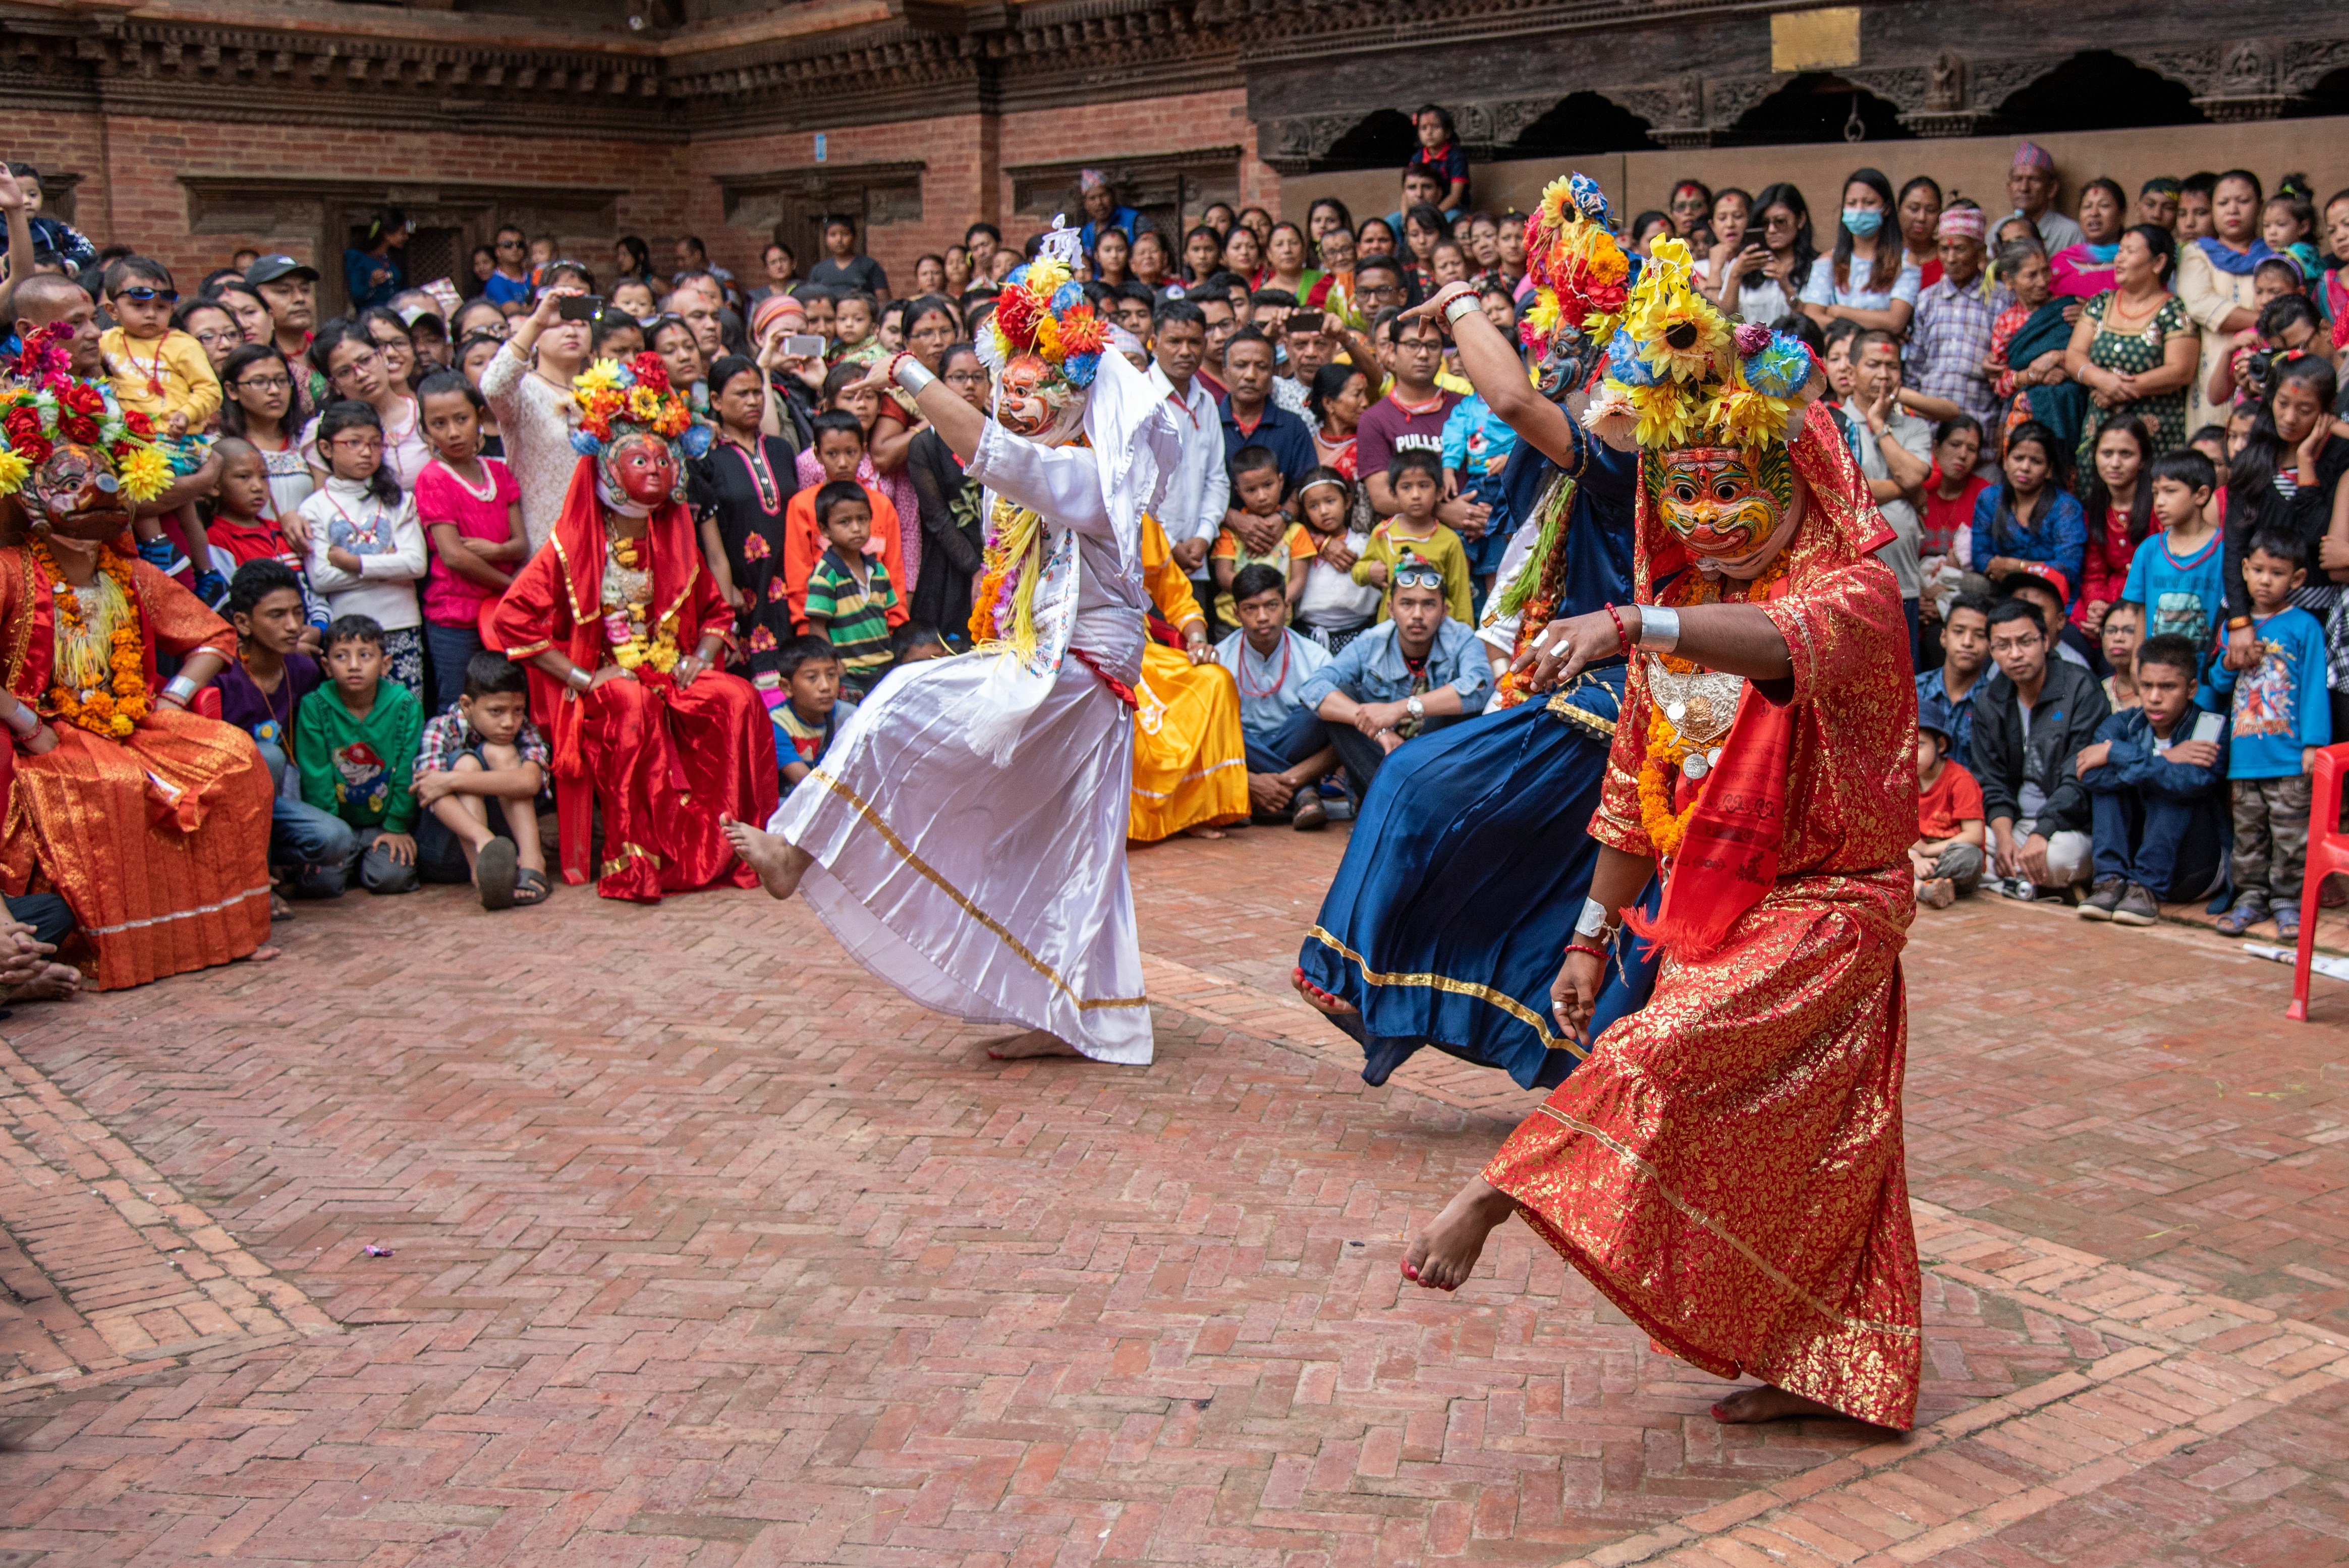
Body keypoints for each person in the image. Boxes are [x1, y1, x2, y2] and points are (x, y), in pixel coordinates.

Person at [1384, 202, 1923, 1433]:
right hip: (1724, 902)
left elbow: (1779, 646)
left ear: (1794, 479)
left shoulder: (1851, 597)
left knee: (1658, 1054)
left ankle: (1490, 1201)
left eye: (1737, 489)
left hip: (1835, 905)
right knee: (1820, 1146)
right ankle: (1832, 1362)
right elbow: (1637, 793)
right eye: (1686, 494)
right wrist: (1585, 937)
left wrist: (1634, 623)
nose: (1711, 517)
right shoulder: (1683, 607)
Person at [723, 226, 1185, 1065]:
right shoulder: (1057, 470)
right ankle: (1078, 1012)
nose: (1014, 401)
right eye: (1008, 387)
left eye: (1032, 389)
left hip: (1078, 677)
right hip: (1056, 668)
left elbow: (988, 453)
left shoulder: (1088, 477)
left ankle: (798, 846)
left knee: (908, 700)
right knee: (1050, 841)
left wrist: (904, 369)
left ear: (1078, 400)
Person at [1292, 180, 1660, 1094]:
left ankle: (1371, 976)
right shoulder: (1601, 439)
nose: (1586, 374)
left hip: (1624, 694)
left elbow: (1506, 397)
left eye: (1603, 356)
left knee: (1423, 783)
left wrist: (1457, 299)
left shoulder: (1633, 451)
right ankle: (1472, 1011)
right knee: (1547, 868)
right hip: (1592, 681)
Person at [0, 341, 275, 987]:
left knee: (235, 760)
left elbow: (213, 636)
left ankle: (225, 929)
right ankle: (116, 947)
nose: (90, 492)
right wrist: (23, 721)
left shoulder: (129, 574)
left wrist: (175, 699)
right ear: (31, 500)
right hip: (43, 733)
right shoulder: (12, 572)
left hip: (132, 720)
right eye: (66, 483)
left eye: (99, 478)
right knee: (108, 791)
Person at [490, 350, 779, 902]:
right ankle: (638, 859)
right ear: (607, 469)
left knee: (738, 697)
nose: (653, 471)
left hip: (671, 670)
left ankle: (736, 848)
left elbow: (717, 613)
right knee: (633, 704)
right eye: (638, 462)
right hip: (606, 681)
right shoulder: (570, 546)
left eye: (660, 461)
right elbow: (514, 621)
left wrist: (699, 658)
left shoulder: (674, 536)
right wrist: (582, 677)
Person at [2209, 529, 2331, 939]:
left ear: (2296, 579)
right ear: (2243, 570)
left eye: (2276, 573)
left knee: (2292, 837)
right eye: (2257, 570)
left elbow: (2316, 686)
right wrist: (2230, 662)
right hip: (2245, 758)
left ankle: (2287, 902)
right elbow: (2215, 686)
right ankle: (2249, 898)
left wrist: (2314, 745)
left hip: (2290, 756)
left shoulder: (2305, 626)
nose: (2264, 580)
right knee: (2249, 835)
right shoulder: (2233, 627)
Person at [1300, 560, 1488, 804]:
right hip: (1381, 761)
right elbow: (1313, 688)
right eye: (1407, 604)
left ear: (1445, 611)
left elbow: (1480, 686)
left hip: (1436, 762)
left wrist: (1399, 709)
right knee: (1342, 698)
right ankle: (1393, 804)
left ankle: (1402, 805)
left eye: (1429, 605)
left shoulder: (1462, 638)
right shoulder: (1371, 642)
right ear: (1390, 609)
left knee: (1464, 707)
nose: (1417, 615)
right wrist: (1378, 729)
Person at [213, 559, 344, 909]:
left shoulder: (303, 670)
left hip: (277, 799)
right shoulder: (221, 674)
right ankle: (258, 883)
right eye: (277, 616)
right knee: (264, 755)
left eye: (298, 613)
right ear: (242, 622)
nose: (293, 627)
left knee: (336, 840)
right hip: (224, 808)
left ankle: (277, 864)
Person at [2077, 633, 2226, 927]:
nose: (2155, 697)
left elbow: (2191, 782)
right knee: (2111, 788)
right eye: (2147, 686)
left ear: (2191, 689)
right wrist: (2165, 757)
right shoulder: (2122, 724)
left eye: (2168, 687)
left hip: (2195, 870)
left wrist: (2115, 753)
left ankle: (2146, 888)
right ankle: (2110, 880)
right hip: (2130, 868)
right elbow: (2091, 776)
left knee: (2171, 788)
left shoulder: (2208, 728)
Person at [1974, 597, 2108, 900]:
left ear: (2046, 641)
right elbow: (1991, 780)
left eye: (2026, 641)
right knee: (1970, 847)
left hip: (2071, 826)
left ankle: (2014, 882)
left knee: (2060, 858)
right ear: (1992, 651)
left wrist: (2042, 832)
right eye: (2003, 646)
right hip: (2017, 824)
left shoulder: (2079, 688)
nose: (2016, 654)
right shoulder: (1990, 700)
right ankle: (2028, 882)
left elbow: (2080, 775)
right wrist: (2006, 838)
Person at [1129, 513, 1250, 842]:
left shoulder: (1143, 522)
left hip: (1142, 650)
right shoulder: (1064, 509)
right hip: (1083, 650)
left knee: (1215, 680)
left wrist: (1198, 643)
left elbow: (1177, 596)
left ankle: (1198, 809)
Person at [412, 370, 523, 714]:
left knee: (508, 702)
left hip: (502, 613)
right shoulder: (433, 478)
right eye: (439, 424)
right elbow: (455, 556)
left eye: (461, 419)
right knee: (459, 707)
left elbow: (521, 544)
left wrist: (498, 551)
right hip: (455, 617)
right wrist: (512, 586)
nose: (453, 432)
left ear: (479, 415)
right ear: (425, 429)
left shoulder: (499, 472)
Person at [300, 400, 427, 693]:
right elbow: (321, 578)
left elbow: (416, 564)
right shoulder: (314, 508)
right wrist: (388, 564)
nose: (366, 452)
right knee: (354, 721)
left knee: (402, 714)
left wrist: (353, 563)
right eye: (354, 443)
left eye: (375, 444)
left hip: (401, 623)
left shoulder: (398, 500)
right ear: (326, 448)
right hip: (346, 632)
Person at [690, 353, 802, 682]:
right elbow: (703, 537)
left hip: (789, 583)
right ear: (716, 400)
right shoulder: (707, 458)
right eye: (742, 394)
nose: (753, 401)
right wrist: (724, 591)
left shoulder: (782, 450)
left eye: (758, 393)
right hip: (740, 589)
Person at [411, 649, 551, 909]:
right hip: (446, 850)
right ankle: (484, 875)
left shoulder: (524, 731)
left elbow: (529, 782)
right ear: (467, 705)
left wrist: (451, 781)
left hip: (511, 857)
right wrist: (484, 839)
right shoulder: (442, 729)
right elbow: (430, 793)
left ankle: (534, 864)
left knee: (502, 752)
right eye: (496, 711)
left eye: (518, 710)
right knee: (466, 762)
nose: (509, 722)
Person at [295, 614, 423, 896]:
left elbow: (406, 768)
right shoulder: (314, 706)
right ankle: (345, 860)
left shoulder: (405, 705)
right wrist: (328, 834)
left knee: (392, 878)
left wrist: (397, 826)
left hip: (384, 823)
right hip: (336, 824)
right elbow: (316, 775)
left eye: (365, 656)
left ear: (385, 664)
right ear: (327, 667)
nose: (354, 666)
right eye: (342, 657)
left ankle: (362, 860)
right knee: (321, 886)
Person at [1215, 564, 1337, 828]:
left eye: (1272, 606)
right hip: (1242, 749)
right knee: (1221, 726)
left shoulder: (1316, 658)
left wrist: (1261, 782)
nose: (1262, 617)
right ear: (1236, 614)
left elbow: (1339, 744)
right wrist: (1248, 778)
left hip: (1294, 744)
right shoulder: (1219, 660)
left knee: (1321, 712)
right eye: (1251, 609)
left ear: (1287, 607)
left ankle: (1260, 798)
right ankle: (1303, 794)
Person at [2064, 224, 2197, 463]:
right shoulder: (2100, 303)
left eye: (2130, 252)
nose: (2119, 259)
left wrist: (2120, 390)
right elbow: (2074, 355)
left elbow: (2181, 371)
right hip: (2100, 426)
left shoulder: (2173, 310)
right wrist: (2102, 380)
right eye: (2120, 251)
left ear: (2158, 263)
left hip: (2153, 433)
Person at [482, 285, 592, 550]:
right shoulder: (524, 391)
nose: (571, 331)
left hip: (601, 538)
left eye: (581, 324)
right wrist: (539, 322)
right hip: (544, 539)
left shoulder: (606, 391)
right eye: (558, 325)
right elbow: (493, 386)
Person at [781, 410, 908, 637]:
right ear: (817, 455)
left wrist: (896, 628)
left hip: (878, 629)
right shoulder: (802, 506)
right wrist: (808, 633)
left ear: (864, 451)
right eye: (832, 454)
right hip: (824, 630)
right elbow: (799, 579)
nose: (842, 463)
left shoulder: (882, 506)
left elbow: (895, 575)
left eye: (850, 452)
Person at [1147, 301, 1233, 630]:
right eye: (1174, 342)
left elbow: (1217, 478)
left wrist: (1204, 535)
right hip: (1150, 558)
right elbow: (1134, 485)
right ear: (1154, 343)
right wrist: (1169, 543)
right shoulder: (1139, 398)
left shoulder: (1206, 400)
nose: (1186, 351)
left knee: (1193, 648)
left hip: (1197, 558)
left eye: (1194, 342)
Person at [2177, 171, 2273, 431]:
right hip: (2212, 374)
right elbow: (2199, 304)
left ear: (2260, 206)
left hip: (2266, 370)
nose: (2233, 210)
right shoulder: (2196, 253)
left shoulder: (2275, 256)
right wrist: (2266, 321)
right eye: (2223, 203)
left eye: (2243, 201)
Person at [202, 439, 328, 637]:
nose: (257, 487)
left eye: (264, 477)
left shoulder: (284, 533)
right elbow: (230, 605)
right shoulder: (216, 540)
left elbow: (314, 588)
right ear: (214, 485)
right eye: (244, 477)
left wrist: (319, 628)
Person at [1904, 207, 2009, 433]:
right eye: (1944, 249)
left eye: (1960, 249)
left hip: (1979, 423)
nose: (1950, 259)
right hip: (1927, 425)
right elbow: (1914, 368)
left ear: (1980, 252)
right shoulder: (1927, 300)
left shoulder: (2000, 299)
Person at [801, 480, 899, 700]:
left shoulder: (879, 570)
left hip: (883, 667)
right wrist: (835, 666)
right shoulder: (827, 574)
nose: (856, 528)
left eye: (862, 519)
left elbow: (887, 618)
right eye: (844, 522)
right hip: (850, 673)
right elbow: (817, 627)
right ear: (825, 530)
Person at [1353, 447, 1473, 623]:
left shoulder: (1450, 541)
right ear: (1394, 494)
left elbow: (1461, 595)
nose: (1416, 495)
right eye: (1406, 487)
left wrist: (1464, 640)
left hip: (1438, 631)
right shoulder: (1384, 534)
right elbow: (1358, 571)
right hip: (1393, 629)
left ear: (1439, 492)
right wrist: (1369, 571)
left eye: (1424, 486)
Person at [2121, 448, 2224, 649]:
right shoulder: (2149, 550)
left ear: (2201, 495)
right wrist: (2137, 661)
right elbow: (2141, 611)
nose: (2159, 502)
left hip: (2208, 672)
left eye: (2170, 491)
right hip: (2157, 670)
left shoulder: (2224, 549)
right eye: (2156, 492)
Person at [1972, 421, 2084, 605]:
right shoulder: (1990, 498)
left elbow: (2068, 568)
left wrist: (2020, 568)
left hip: (2053, 600)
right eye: (2018, 458)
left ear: (2049, 470)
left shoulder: (2066, 507)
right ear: (2006, 462)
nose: (2025, 467)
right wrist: (1999, 567)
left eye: (2036, 461)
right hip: (2002, 596)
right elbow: (1980, 556)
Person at [1800, 168, 1921, 336]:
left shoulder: (1905, 262)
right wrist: (1870, 328)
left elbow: (1895, 322)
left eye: (1869, 203)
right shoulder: (1827, 262)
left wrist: (1839, 311)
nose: (1859, 210)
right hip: (1837, 358)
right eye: (1852, 203)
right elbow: (1813, 316)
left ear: (1886, 209)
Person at [1209, 445, 1312, 626]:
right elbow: (1224, 576)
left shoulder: (1296, 532)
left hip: (1277, 622)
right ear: (1239, 491)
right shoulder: (1230, 533)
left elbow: (1299, 580)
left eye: (1268, 485)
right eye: (1251, 490)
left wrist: (1274, 601)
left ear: (1281, 481)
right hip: (1232, 621)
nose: (1262, 496)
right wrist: (1257, 598)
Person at [2075, 417, 2156, 635]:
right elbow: (2094, 574)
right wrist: (2097, 605)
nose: (2115, 463)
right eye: (2107, 453)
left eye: (2126, 454)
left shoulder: (2159, 507)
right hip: (2109, 596)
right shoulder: (2095, 509)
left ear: (2142, 460)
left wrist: (2120, 612)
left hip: (2149, 600)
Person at [1217, 327, 1317, 491]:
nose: (1250, 375)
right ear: (1225, 373)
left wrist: (1283, 516)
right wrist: (1233, 517)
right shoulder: (1208, 422)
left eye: (1261, 367)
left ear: (1272, 374)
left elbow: (1306, 486)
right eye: (1241, 366)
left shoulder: (1293, 427)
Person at [766, 633, 856, 794]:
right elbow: (807, 785)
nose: (825, 686)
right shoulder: (776, 723)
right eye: (812, 678)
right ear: (787, 687)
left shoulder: (850, 716)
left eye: (831, 675)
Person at [1911, 719, 1986, 909]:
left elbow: (1974, 836)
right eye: (1905, 744)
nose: (1910, 753)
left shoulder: (1960, 780)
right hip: (1913, 854)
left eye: (1919, 745)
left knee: (1970, 858)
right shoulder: (1902, 780)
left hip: (1946, 854)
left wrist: (1926, 852)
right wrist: (1915, 857)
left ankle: (1909, 884)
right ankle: (1921, 887)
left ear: (1941, 746)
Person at [1917, 592, 1992, 769]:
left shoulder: (1995, 701)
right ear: (1943, 637)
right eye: (1959, 632)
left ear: (1991, 643)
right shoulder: (1915, 690)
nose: (1967, 642)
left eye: (1980, 635)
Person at [2049, 179, 2127, 299]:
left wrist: (2090, 311)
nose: (2094, 213)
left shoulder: (2135, 264)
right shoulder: (2060, 263)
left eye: (2104, 206)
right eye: (2087, 207)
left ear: (2121, 214)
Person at [2005, 142, 2086, 254]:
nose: (2024, 188)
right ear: (2009, 189)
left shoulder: (2070, 234)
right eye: (2018, 179)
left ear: (2051, 188)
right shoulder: (2000, 229)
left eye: (2033, 179)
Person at [808, 213, 888, 300]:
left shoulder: (870, 266)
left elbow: (883, 301)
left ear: (854, 236)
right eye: (833, 235)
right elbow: (811, 300)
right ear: (826, 239)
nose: (839, 240)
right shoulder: (818, 270)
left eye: (845, 234)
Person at [1409, 105, 1469, 216]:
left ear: (1448, 133)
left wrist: (1434, 216)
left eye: (1436, 127)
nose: (1429, 133)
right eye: (1424, 128)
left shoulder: (1456, 157)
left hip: (1451, 209)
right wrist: (1405, 217)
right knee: (1393, 221)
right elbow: (1407, 192)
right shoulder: (1417, 158)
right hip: (1423, 212)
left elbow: (1455, 196)